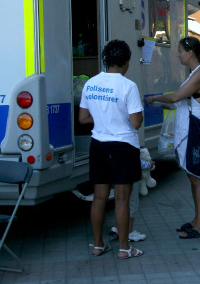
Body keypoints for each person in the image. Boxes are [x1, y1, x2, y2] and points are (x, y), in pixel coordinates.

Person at [79, 40, 144, 259]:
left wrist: (103, 118)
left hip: (98, 145)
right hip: (123, 146)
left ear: (106, 60)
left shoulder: (91, 83)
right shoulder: (128, 86)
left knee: (99, 198)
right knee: (122, 199)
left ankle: (98, 245)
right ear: (126, 62)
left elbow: (83, 118)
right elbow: (136, 123)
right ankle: (125, 248)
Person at [145, 36, 200, 239]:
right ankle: (196, 220)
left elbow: (177, 96)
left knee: (197, 177)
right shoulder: (195, 72)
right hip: (190, 127)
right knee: (193, 176)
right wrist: (170, 104)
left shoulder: (199, 73)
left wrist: (155, 98)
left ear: (189, 52)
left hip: (194, 130)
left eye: (180, 51)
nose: (178, 54)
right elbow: (192, 101)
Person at [109, 156, 154, 243]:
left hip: (118, 174)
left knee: (120, 203)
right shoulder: (130, 143)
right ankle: (129, 232)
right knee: (132, 204)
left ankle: (119, 228)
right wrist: (149, 164)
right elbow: (135, 160)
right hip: (131, 175)